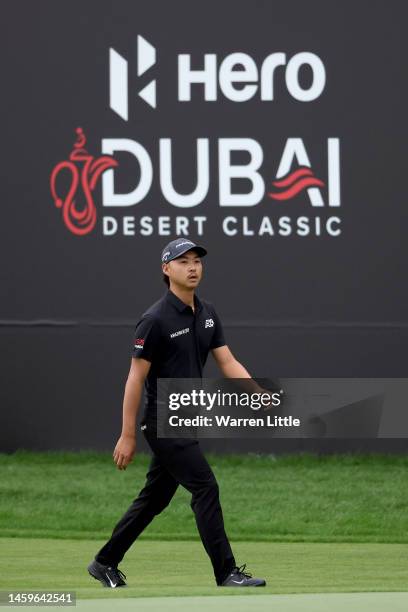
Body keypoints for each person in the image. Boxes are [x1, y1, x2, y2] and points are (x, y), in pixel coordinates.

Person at [87, 238, 266, 588]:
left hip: (188, 417)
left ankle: (104, 561)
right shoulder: (154, 320)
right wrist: (127, 434)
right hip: (164, 422)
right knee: (205, 487)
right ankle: (226, 572)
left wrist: (258, 394)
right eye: (183, 261)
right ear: (166, 270)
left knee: (154, 499)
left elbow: (227, 361)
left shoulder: (208, 313)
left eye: (197, 260)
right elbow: (134, 378)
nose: (193, 267)